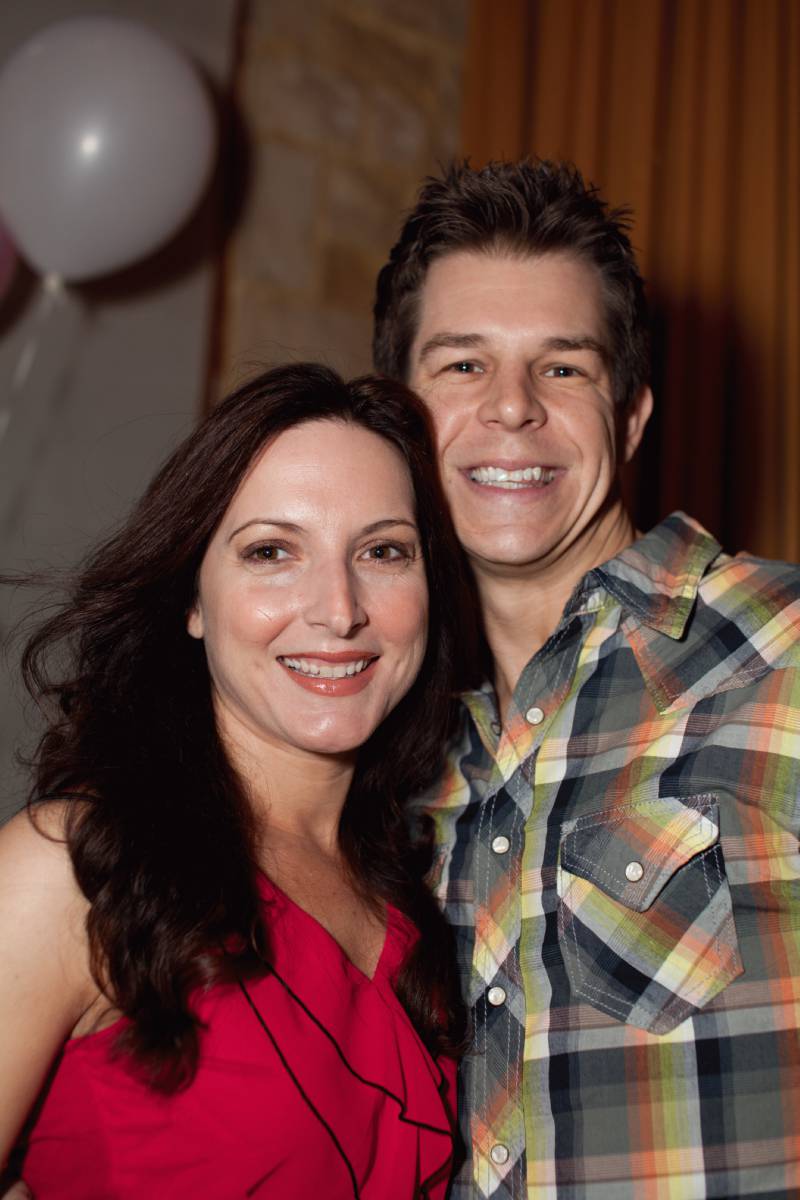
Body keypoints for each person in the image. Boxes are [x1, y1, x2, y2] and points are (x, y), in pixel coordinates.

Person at [372, 159, 800, 1199]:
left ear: (632, 415)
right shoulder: (376, 743)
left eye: (561, 368)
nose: (511, 408)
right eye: (462, 365)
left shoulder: (784, 648)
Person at [0, 363, 475, 1198]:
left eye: (383, 551)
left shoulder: (424, 895)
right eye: (271, 552)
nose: (339, 609)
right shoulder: (65, 874)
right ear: (192, 599)